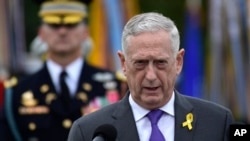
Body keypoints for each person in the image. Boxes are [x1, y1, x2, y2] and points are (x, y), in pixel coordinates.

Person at [67, 12, 235, 141]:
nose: (151, 76)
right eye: (140, 63)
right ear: (124, 63)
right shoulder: (88, 132)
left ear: (178, 62)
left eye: (161, 62)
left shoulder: (218, 122)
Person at [3, 0, 126, 140]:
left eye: (71, 24)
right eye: (54, 25)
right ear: (41, 33)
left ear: (86, 32)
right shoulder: (17, 92)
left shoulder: (116, 86)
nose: (62, 31)